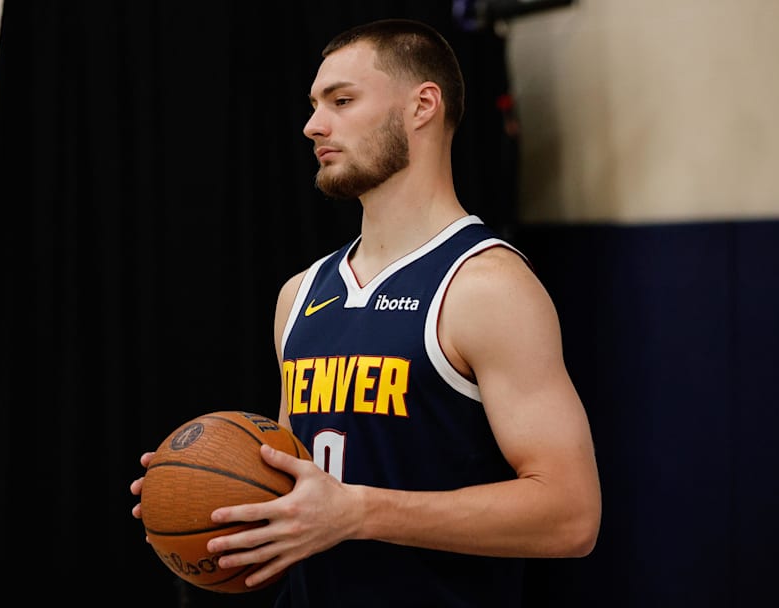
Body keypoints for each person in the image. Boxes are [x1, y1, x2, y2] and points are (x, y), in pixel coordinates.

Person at [132, 18, 601, 607]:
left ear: (422, 106)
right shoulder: (299, 293)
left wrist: (357, 511)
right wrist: (201, 492)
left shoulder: (486, 286)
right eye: (313, 104)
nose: (312, 125)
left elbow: (571, 515)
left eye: (342, 100)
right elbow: (294, 488)